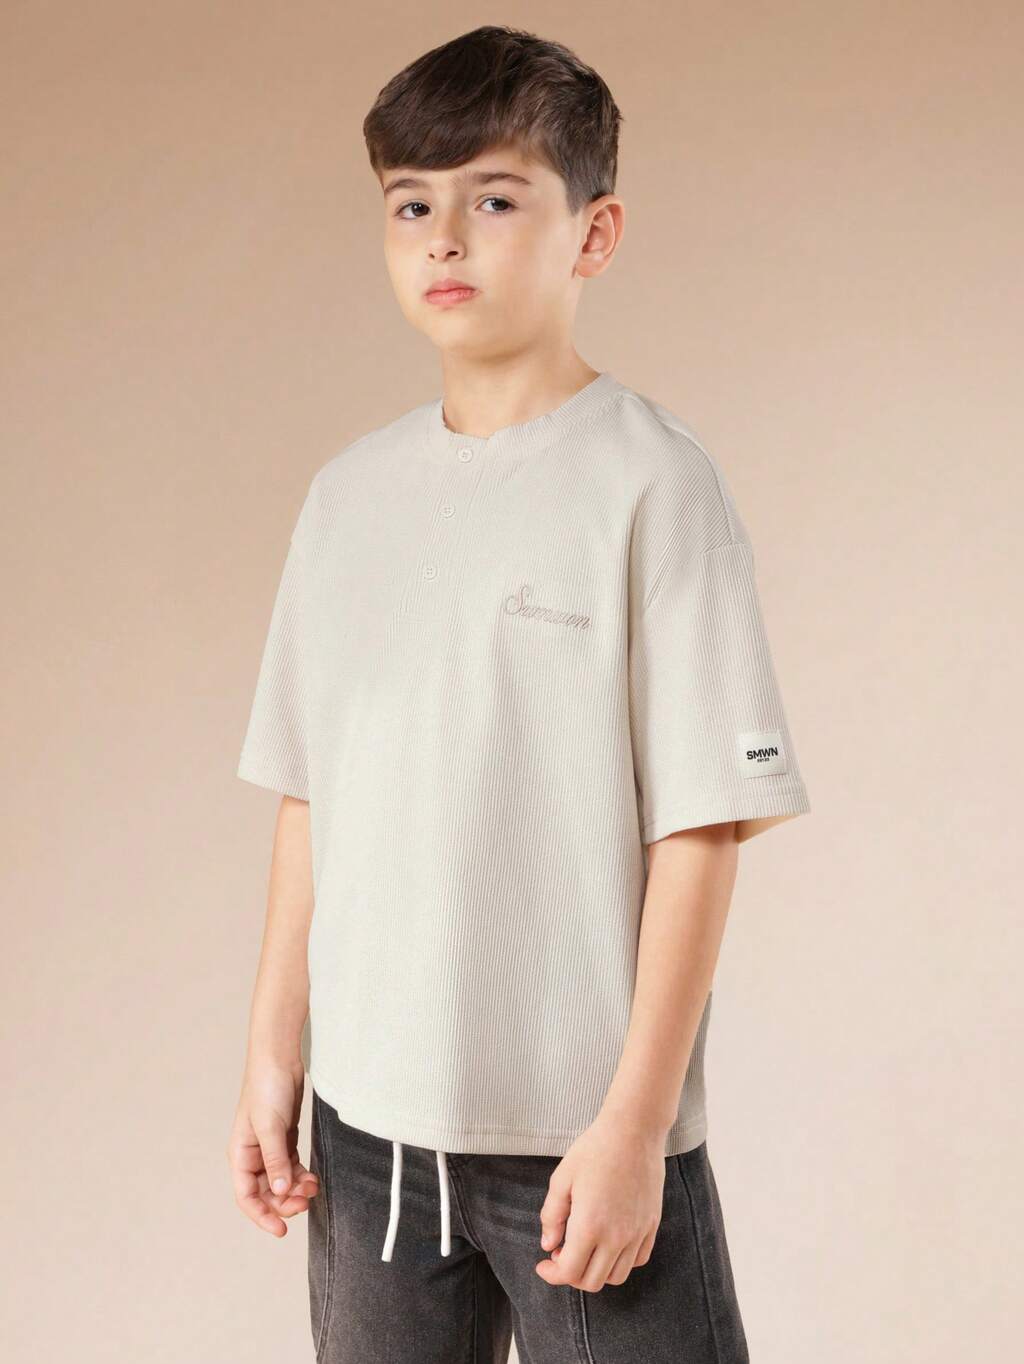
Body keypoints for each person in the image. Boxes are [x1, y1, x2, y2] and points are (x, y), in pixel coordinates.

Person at [227, 23, 811, 1364]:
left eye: (494, 200)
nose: (445, 239)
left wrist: (636, 1128)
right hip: (369, 1138)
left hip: (580, 1135)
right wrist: (272, 1057)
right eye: (411, 205)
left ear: (593, 234)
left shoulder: (655, 485)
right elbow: (311, 795)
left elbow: (702, 829)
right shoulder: (346, 498)